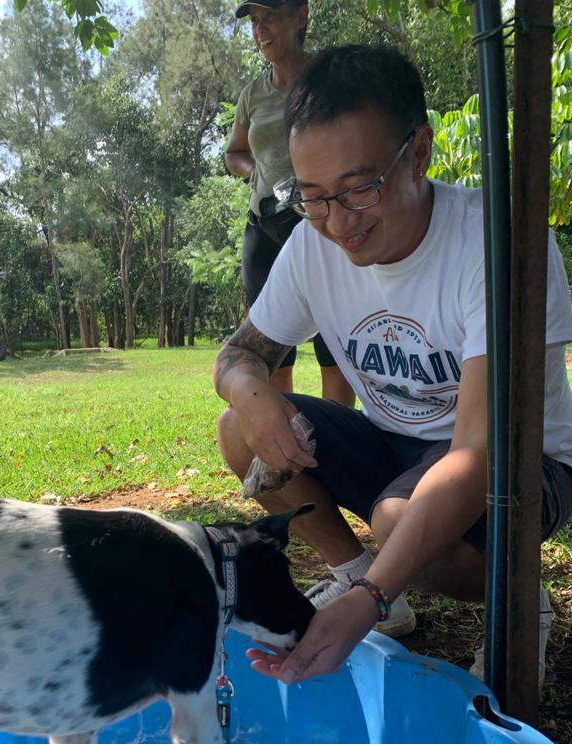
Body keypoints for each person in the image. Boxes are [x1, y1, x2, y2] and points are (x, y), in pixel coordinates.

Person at [213, 43, 572, 685]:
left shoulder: (500, 242)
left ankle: (517, 597)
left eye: (358, 189)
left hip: (522, 461)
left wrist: (363, 602)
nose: (336, 223)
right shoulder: (311, 243)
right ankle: (373, 590)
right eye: (313, 196)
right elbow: (239, 354)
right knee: (239, 431)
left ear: (421, 153)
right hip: (397, 444)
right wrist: (248, 391)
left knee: (398, 519)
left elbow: (478, 451)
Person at [225, 0, 354, 404]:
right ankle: (287, 441)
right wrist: (258, 170)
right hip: (264, 224)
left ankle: (340, 435)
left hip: (324, 221)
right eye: (255, 21)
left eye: (271, 18)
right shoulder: (253, 94)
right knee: (272, 345)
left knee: (334, 341)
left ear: (300, 17)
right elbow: (233, 153)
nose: (260, 29)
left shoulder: (331, 80)